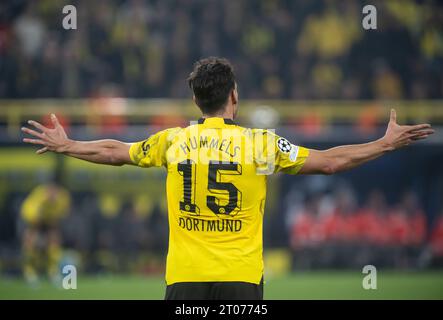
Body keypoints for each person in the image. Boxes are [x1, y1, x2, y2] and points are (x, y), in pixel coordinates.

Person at [21, 57, 434, 300]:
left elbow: (114, 152)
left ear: (196, 100)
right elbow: (329, 161)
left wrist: (68, 145)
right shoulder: (261, 145)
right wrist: (384, 144)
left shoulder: (174, 141)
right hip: (240, 283)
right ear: (234, 96)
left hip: (184, 283)